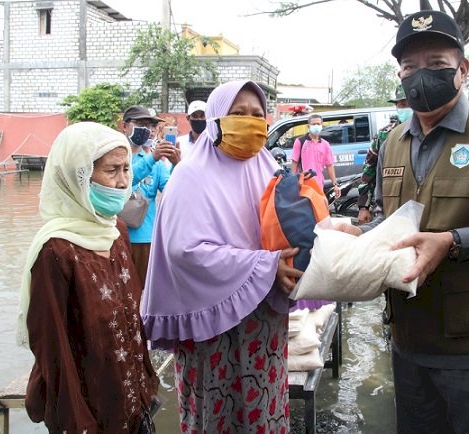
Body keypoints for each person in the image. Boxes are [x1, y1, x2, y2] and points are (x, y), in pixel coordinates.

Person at [336, 10, 469, 433]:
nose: (420, 76)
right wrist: (356, 233)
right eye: (410, 67)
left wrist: (453, 241)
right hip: (410, 340)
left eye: (436, 65)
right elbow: (389, 220)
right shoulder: (394, 142)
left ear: (462, 70)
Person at [140, 80, 303, 433]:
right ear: (215, 121)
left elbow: (289, 228)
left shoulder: (269, 170)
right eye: (238, 113)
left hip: (263, 324)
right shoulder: (191, 176)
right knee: (217, 415)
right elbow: (184, 250)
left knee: (266, 408)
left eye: (257, 115)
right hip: (213, 327)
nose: (250, 121)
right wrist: (264, 265)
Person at [16, 122, 160, 433]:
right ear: (78, 176)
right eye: (111, 170)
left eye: (126, 169)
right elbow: (52, 350)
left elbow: (131, 319)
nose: (123, 182)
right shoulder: (56, 251)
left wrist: (145, 382)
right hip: (91, 412)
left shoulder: (115, 231)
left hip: (132, 401)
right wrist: (79, 422)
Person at [122, 105, 179, 284]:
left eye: (152, 126)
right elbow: (124, 181)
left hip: (145, 238)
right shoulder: (114, 154)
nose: (147, 130)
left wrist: (178, 165)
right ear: (125, 126)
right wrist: (152, 157)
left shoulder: (159, 164)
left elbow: (173, 193)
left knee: (141, 291)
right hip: (114, 235)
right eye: (141, 124)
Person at [357, 84, 412, 224]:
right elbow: (369, 169)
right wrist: (364, 206)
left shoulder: (429, 132)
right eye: (401, 105)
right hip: (387, 207)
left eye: (408, 104)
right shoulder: (384, 135)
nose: (404, 108)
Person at [291, 114, 341, 197]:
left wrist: (335, 184)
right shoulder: (300, 141)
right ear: (308, 126)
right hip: (303, 183)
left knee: (317, 208)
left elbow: (330, 165)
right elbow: (294, 162)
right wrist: (292, 181)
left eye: (318, 124)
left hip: (318, 184)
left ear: (322, 125)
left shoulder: (325, 144)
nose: (316, 126)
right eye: (313, 124)